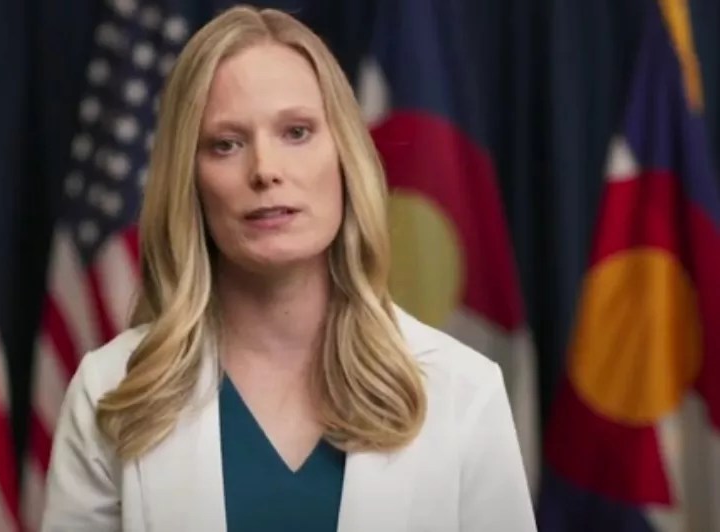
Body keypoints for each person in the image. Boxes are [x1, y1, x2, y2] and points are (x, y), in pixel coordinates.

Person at [40, 5, 536, 532]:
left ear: (345, 156)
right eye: (226, 144)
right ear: (189, 181)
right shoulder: (111, 391)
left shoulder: (464, 391)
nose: (265, 170)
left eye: (296, 132)